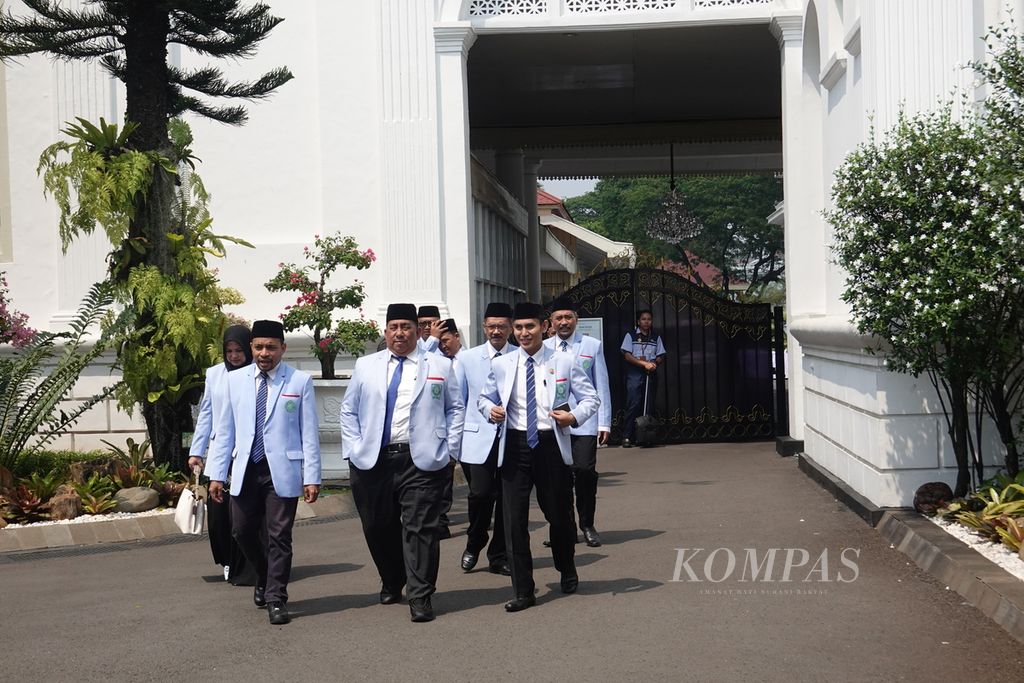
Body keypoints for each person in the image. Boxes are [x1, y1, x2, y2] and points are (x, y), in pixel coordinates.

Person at [341, 303, 465, 623]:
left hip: (420, 459)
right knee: (377, 526)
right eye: (394, 327)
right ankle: (392, 578)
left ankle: (421, 593)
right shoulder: (366, 365)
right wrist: (354, 449)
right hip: (373, 460)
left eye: (406, 327)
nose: (400, 333)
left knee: (420, 528)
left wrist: (450, 450)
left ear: (416, 330)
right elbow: (348, 411)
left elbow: (456, 408)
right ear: (385, 331)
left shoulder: (439, 364)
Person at [479, 302, 599, 613]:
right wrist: (490, 411)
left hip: (550, 445)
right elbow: (484, 397)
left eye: (529, 327)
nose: (523, 333)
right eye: (517, 328)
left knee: (558, 515)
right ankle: (523, 590)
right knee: (514, 521)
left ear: (543, 328)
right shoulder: (503, 364)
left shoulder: (564, 361)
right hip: (515, 446)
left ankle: (566, 565)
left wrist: (572, 417)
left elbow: (591, 398)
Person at [207, 320, 321, 626]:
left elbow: (308, 433)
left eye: (271, 347)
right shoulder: (235, 381)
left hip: (281, 471)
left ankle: (276, 597)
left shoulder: (299, 381)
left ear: (283, 348)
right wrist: (216, 474)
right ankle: (264, 574)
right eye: (258, 347)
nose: (264, 353)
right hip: (245, 468)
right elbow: (224, 430)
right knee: (241, 530)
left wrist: (312, 476)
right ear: (251, 348)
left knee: (279, 535)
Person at [187, 325, 259, 584]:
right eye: (229, 351)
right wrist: (197, 450)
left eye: (239, 350)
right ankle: (227, 561)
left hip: (248, 451)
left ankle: (251, 564)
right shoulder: (215, 374)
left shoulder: (257, 373)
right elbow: (207, 413)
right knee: (218, 514)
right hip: (220, 453)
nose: (234, 356)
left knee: (244, 512)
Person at [545, 297, 611, 547]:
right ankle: (564, 528)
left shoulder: (592, 345)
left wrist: (604, 423)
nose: (564, 322)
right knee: (557, 478)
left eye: (568, 317)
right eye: (559, 318)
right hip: (554, 424)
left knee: (584, 471)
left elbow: (601, 385)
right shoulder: (545, 347)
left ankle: (587, 523)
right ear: (551, 322)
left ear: (576, 319)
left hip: (584, 422)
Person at [454, 302, 514, 576]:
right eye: (492, 326)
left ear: (511, 327)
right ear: (484, 327)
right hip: (476, 440)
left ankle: (498, 555)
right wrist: (453, 445)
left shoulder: (520, 354)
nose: (497, 331)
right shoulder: (467, 359)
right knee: (480, 495)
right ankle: (475, 540)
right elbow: (458, 403)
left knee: (506, 499)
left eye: (502, 326)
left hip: (512, 440)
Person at [619, 309, 666, 448]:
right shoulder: (631, 335)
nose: (646, 322)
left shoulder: (655, 336)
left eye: (649, 319)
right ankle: (627, 436)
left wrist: (654, 363)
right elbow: (627, 355)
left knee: (648, 404)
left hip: (650, 372)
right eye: (643, 319)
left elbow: (661, 355)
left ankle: (646, 437)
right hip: (635, 372)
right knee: (633, 404)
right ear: (638, 321)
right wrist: (643, 364)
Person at [436, 317, 462, 539]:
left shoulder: (470, 360)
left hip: (473, 431)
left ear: (456, 337)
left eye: (445, 340)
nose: (443, 346)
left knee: (482, 490)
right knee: (443, 478)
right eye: (439, 343)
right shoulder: (435, 362)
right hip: (447, 430)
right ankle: (440, 520)